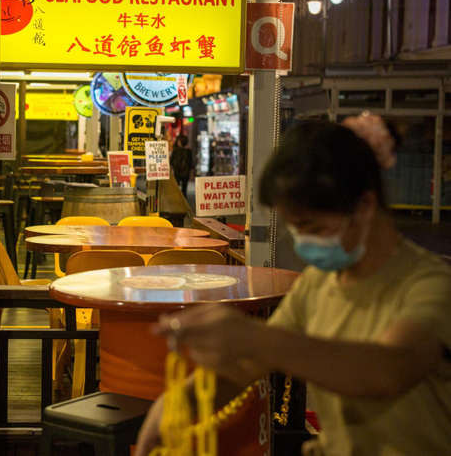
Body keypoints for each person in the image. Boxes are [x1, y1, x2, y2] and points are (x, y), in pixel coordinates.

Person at [136, 116, 451, 456]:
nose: (302, 241)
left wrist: (253, 336)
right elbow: (246, 365)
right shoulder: (318, 284)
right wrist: (177, 403)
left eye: (310, 225)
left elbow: (388, 371)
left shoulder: (429, 284)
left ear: (364, 206)